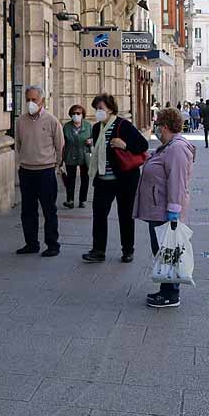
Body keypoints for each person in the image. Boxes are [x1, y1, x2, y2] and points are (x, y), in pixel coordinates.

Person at [135, 106, 195, 309]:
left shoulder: (177, 148)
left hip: (164, 210)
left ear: (166, 126)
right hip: (157, 207)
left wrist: (174, 211)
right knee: (162, 251)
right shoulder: (168, 146)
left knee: (167, 251)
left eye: (157, 124)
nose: (155, 128)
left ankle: (171, 294)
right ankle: (166, 290)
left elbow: (177, 181)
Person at [82, 93, 150, 264]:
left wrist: (124, 145)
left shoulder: (123, 125)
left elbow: (143, 145)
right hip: (103, 180)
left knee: (125, 214)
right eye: (96, 109)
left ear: (110, 109)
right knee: (99, 214)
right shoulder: (97, 128)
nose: (98, 112)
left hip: (124, 179)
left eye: (101, 108)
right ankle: (98, 250)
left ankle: (128, 250)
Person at [15, 86, 64, 257]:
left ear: (42, 101)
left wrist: (57, 166)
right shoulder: (20, 121)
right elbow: (19, 144)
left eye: (34, 100)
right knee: (27, 210)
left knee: (49, 209)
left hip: (46, 171)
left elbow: (60, 146)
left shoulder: (51, 121)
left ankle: (52, 245)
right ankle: (31, 243)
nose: (30, 103)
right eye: (28, 99)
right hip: (26, 171)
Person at [61, 104, 92, 209]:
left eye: (78, 113)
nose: (76, 115)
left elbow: (95, 139)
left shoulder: (88, 126)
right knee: (70, 179)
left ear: (82, 115)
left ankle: (82, 200)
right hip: (70, 155)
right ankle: (70, 200)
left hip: (84, 155)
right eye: (73, 113)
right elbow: (62, 143)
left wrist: (91, 141)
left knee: (85, 178)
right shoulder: (67, 127)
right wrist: (61, 159)